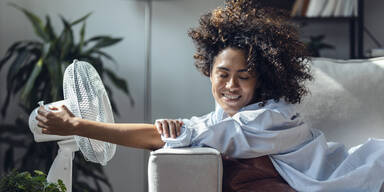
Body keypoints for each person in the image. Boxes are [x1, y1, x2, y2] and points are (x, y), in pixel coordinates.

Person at [36, 0, 384, 191]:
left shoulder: (270, 118)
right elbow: (184, 132)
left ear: (260, 80)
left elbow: (156, 138)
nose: (231, 85)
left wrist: (77, 124)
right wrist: (178, 131)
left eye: (244, 77)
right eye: (223, 74)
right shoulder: (222, 121)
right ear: (209, 72)